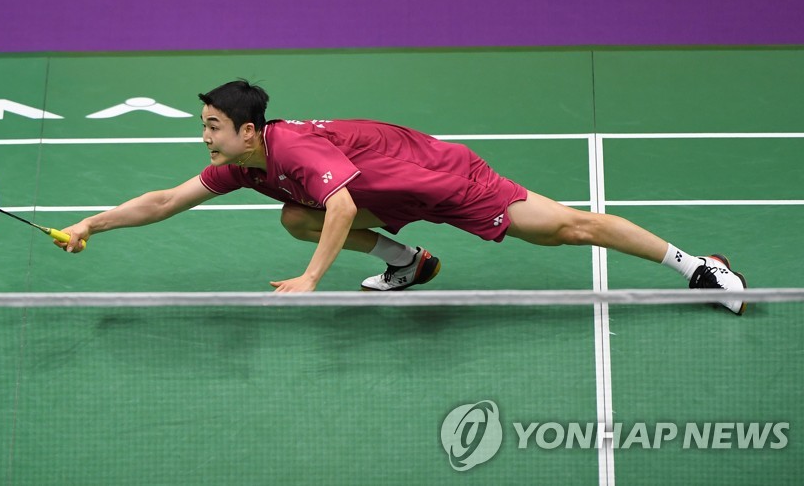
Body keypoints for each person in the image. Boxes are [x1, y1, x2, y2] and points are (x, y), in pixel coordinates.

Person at [57, 80, 748, 314]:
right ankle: (409, 264)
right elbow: (162, 202)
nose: (205, 138)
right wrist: (91, 222)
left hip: (442, 178)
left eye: (212, 127)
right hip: (386, 195)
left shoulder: (290, 148)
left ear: (247, 129)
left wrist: (312, 280)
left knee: (568, 228)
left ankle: (698, 267)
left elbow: (344, 208)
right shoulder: (247, 165)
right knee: (293, 216)